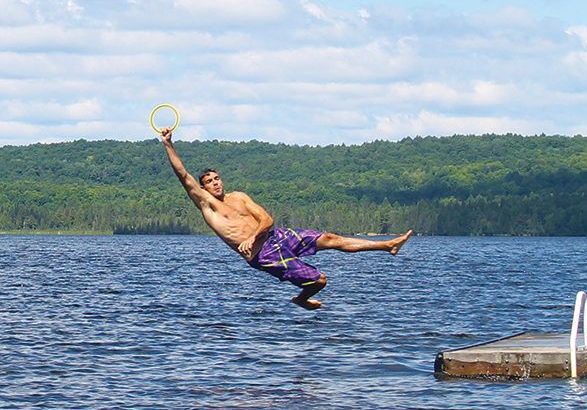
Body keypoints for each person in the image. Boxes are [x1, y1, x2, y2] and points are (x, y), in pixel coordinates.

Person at [159, 126, 412, 309]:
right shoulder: (208, 206)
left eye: (217, 178)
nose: (215, 184)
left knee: (332, 239)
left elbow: (268, 220)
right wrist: (169, 143)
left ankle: (387, 245)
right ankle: (301, 299)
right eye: (209, 182)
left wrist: (257, 234)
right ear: (202, 189)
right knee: (320, 281)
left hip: (276, 237)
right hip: (263, 255)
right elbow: (183, 175)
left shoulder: (239, 197)